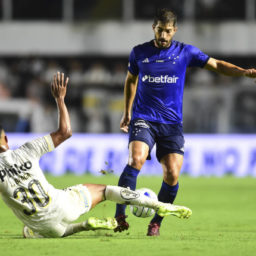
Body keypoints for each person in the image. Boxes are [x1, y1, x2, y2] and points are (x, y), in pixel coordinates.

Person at [114, 8, 256, 236]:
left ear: (174, 30)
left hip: (171, 124)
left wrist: (242, 72)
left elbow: (217, 65)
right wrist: (127, 112)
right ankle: (119, 215)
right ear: (153, 27)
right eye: (159, 30)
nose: (163, 36)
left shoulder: (185, 52)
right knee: (136, 159)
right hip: (144, 118)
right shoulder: (139, 52)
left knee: (171, 174)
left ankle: (156, 222)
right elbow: (131, 80)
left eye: (167, 31)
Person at [0, 72, 192, 239]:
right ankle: (156, 204)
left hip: (49, 228)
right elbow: (65, 132)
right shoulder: (26, 151)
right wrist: (60, 99)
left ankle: (83, 226)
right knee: (105, 191)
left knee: (40, 230)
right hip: (63, 205)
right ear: (6, 139)